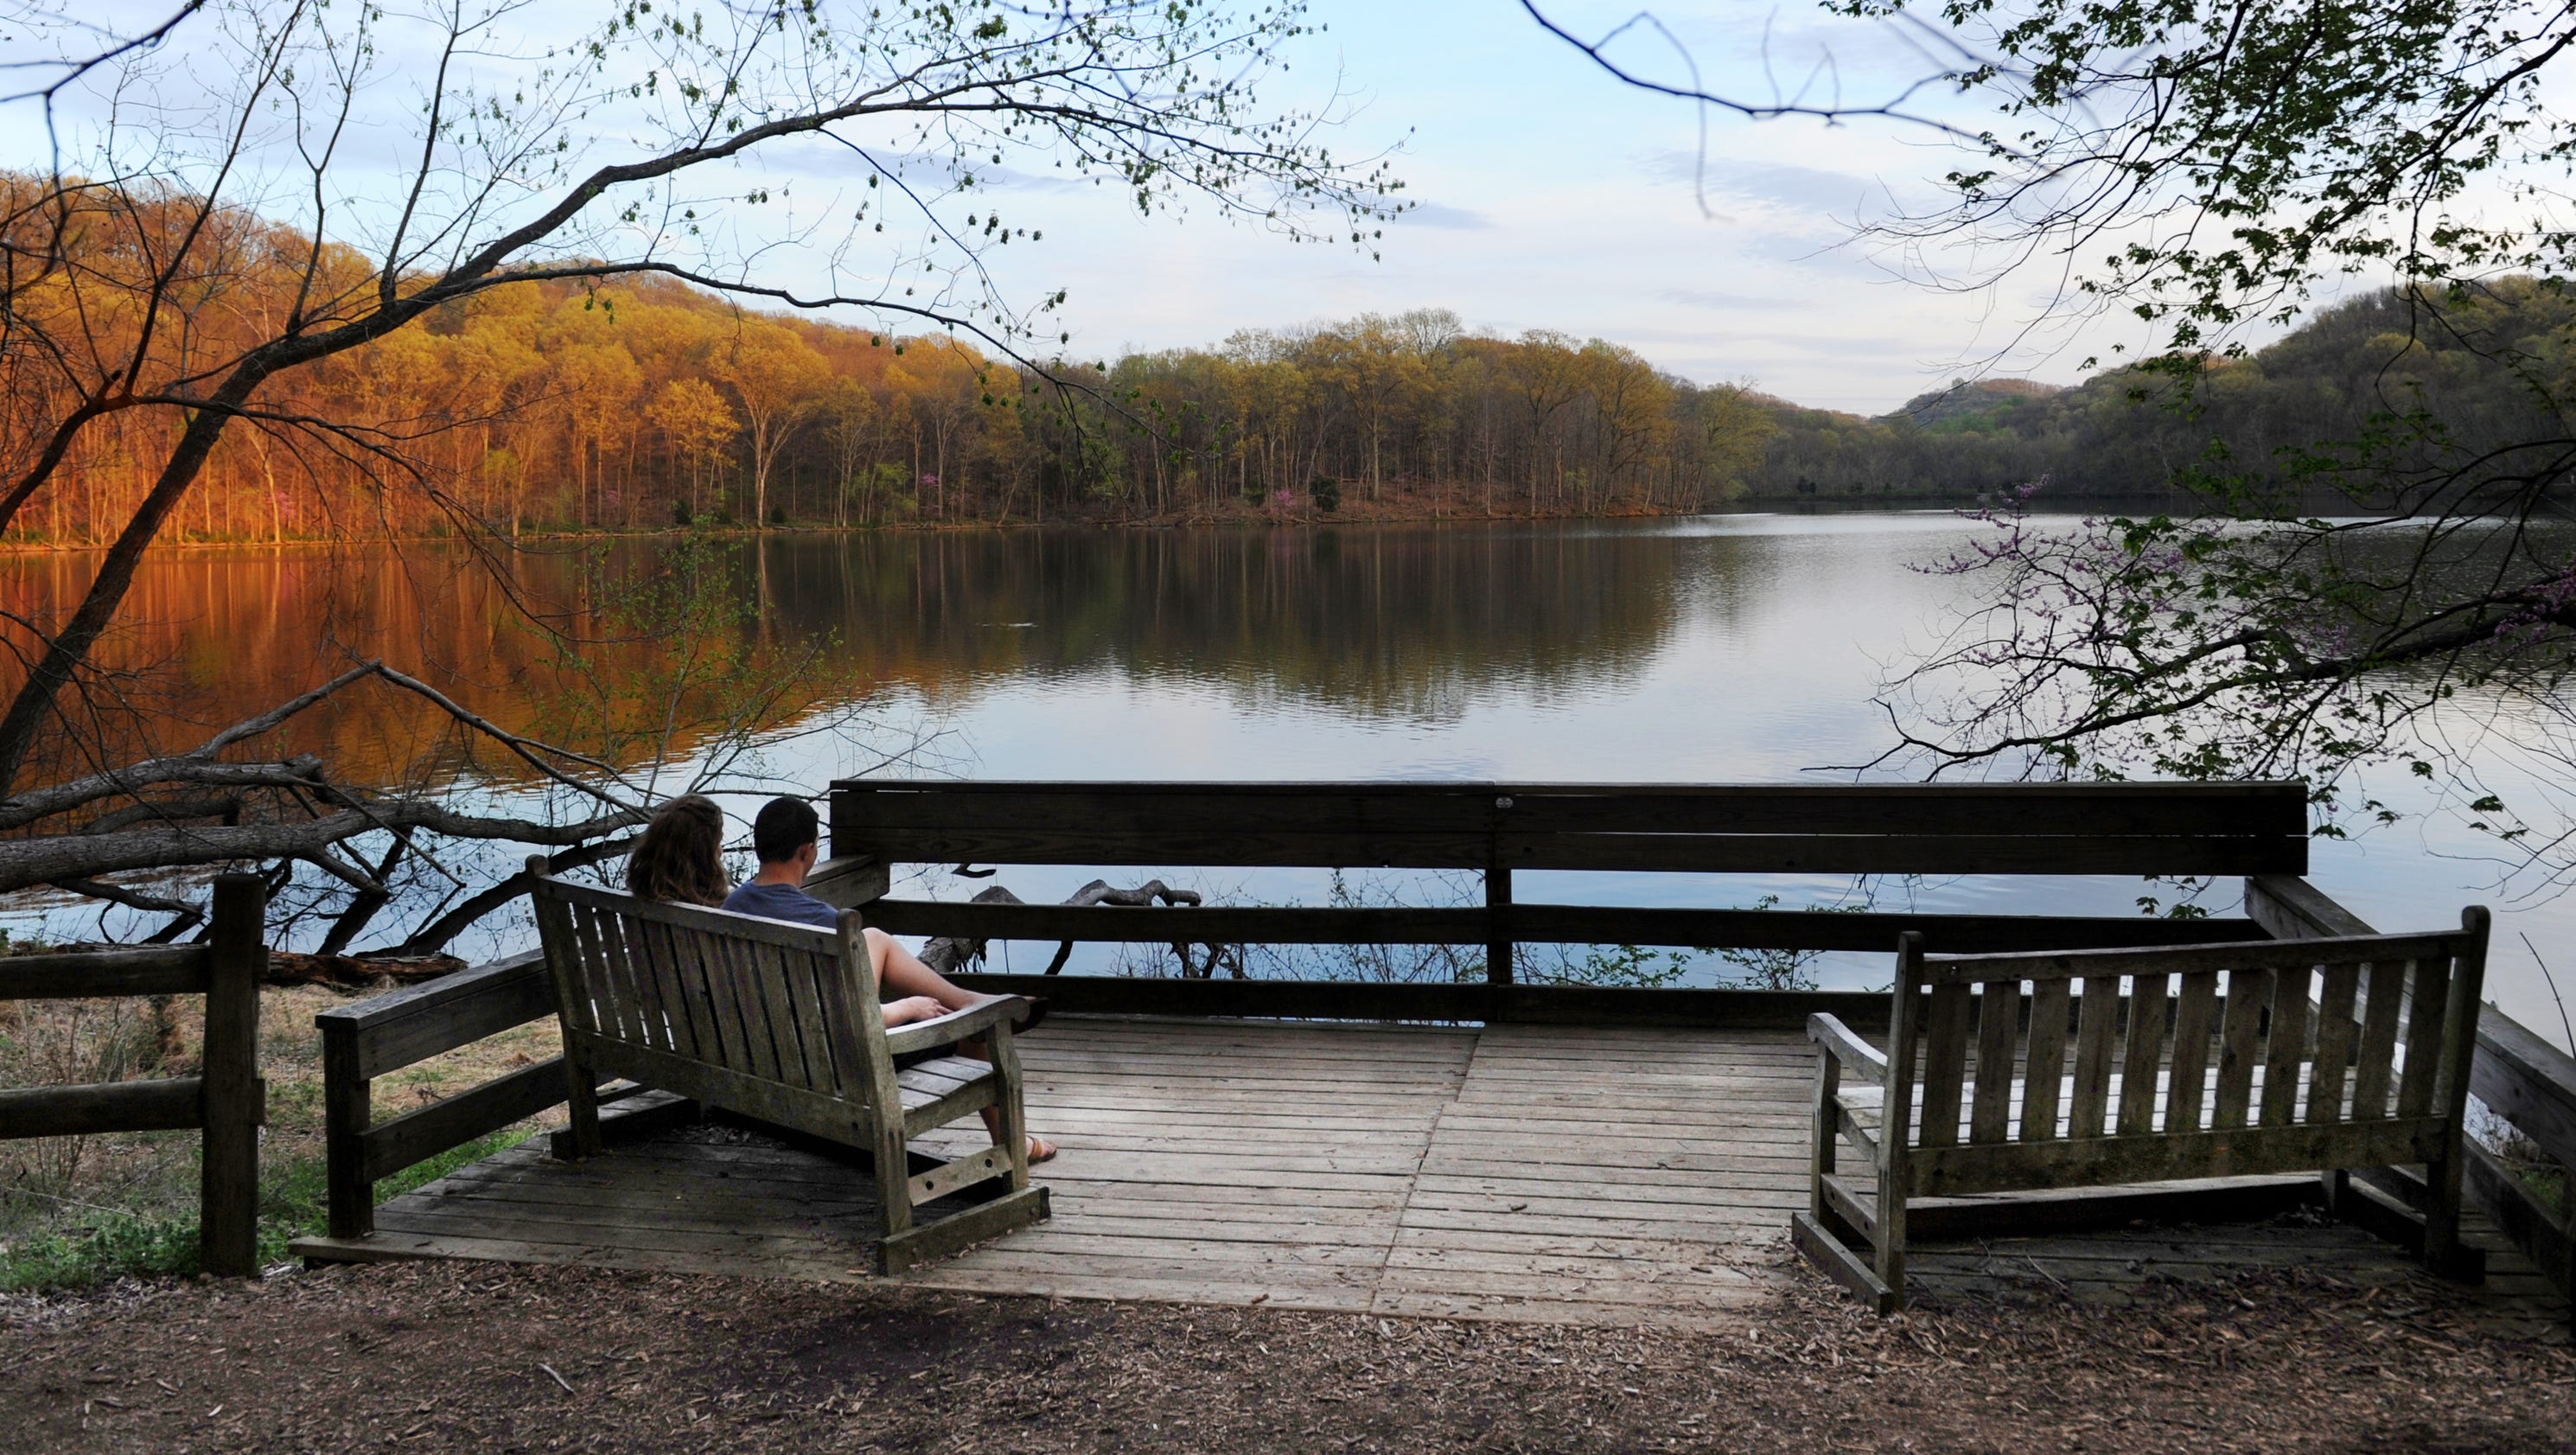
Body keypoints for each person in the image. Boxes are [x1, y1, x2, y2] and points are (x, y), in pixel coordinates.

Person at [714, 795, 1055, 1164]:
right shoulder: (823, 922)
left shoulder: (732, 908)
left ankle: (971, 1000)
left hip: (767, 1063)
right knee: (975, 1031)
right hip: (834, 1072)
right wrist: (908, 1007)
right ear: (807, 850)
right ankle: (1013, 1140)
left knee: (875, 940)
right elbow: (853, 1020)